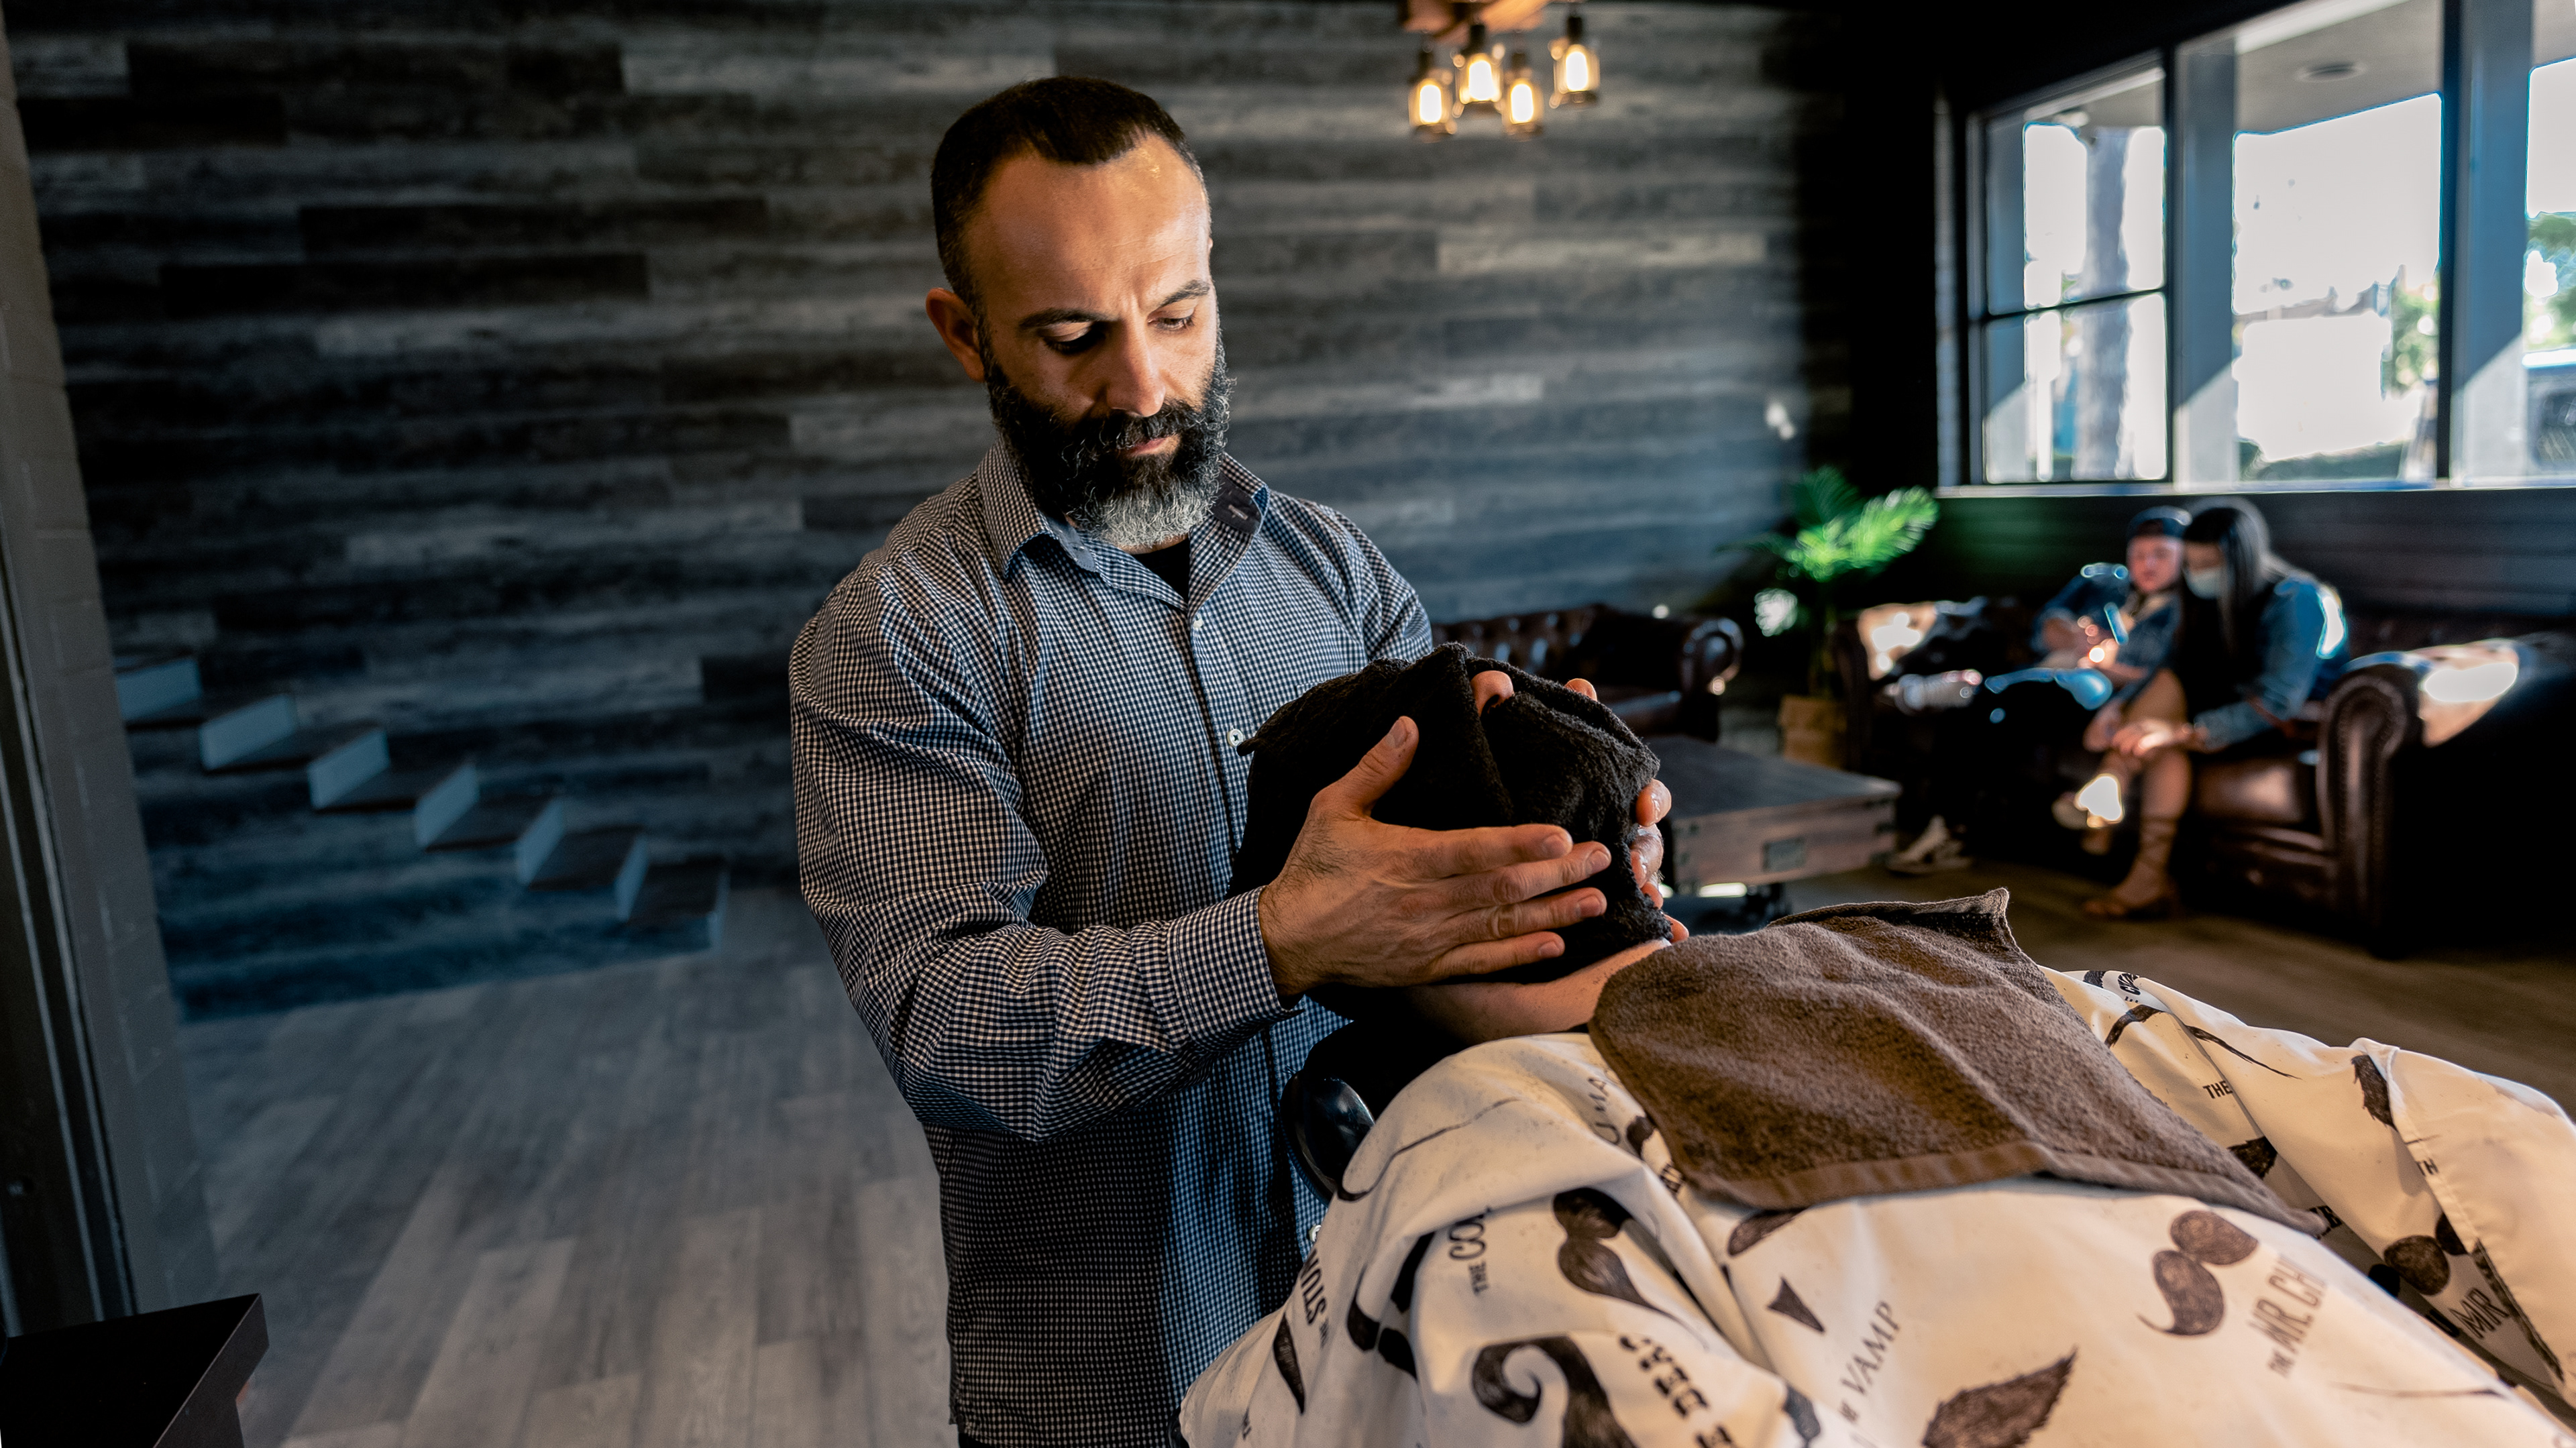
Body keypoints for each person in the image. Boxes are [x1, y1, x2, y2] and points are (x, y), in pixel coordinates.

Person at [788, 78, 1673, 1447]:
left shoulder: (1338, 571)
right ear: (965, 332)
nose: (1144, 386)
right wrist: (1281, 938)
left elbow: (1444, 909)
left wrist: (1557, 869)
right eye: (1073, 336)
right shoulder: (893, 636)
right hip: (1117, 1382)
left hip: (1395, 1330)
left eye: (1179, 313)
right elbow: (950, 1025)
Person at [1177, 661, 2576, 1447]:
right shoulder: (1985, 973)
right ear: (1642, 846)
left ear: (1351, 950)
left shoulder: (1479, 1153)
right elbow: (2480, 1145)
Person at [2076, 501, 2347, 919]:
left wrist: (2179, 732)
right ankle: (2132, 839)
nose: (2198, 574)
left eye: (2209, 565)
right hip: (2213, 707)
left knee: (2165, 740)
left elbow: (2278, 702)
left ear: (2241, 562)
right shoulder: (2197, 599)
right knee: (2168, 687)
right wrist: (2117, 707)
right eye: (2192, 564)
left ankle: (2112, 786)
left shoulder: (2298, 599)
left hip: (2280, 724)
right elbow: (2171, 663)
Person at [1884, 506, 2188, 877]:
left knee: (2067, 686)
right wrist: (2074, 636)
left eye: (2161, 555)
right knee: (1973, 716)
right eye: (2139, 554)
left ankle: (1964, 689)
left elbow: (2162, 678)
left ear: (2183, 557)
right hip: (2043, 676)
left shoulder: (2185, 610)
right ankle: (1948, 828)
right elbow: (2046, 624)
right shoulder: (2101, 581)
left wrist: (2107, 666)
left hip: (2101, 689)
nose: (2148, 564)